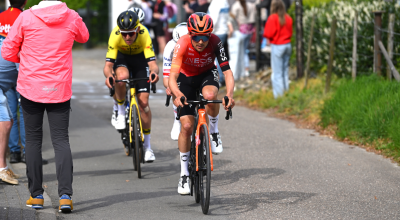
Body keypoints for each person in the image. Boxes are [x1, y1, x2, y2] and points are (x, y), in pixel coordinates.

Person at [2, 0, 89, 212]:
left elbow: (7, 51)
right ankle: (66, 196)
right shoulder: (71, 16)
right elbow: (84, 37)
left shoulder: (25, 17)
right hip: (59, 88)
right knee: (61, 139)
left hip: (31, 86)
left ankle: (37, 195)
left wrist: (23, 59)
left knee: (32, 140)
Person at [169, 12, 235, 195]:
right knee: (187, 126)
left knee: (210, 95)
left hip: (207, 74)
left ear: (209, 35)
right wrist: (177, 94)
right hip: (186, 78)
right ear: (190, 34)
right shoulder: (182, 44)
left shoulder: (215, 42)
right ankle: (184, 175)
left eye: (204, 37)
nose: (200, 41)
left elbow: (227, 72)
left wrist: (229, 95)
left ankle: (213, 131)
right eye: (196, 37)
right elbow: (172, 77)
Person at [105, 11, 159, 162]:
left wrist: (154, 73)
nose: (127, 37)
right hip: (121, 58)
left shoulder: (144, 33)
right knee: (121, 78)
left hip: (140, 60)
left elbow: (153, 65)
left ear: (137, 29)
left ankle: (148, 147)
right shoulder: (115, 34)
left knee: (144, 104)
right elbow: (108, 66)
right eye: (124, 34)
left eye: (130, 34)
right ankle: (120, 111)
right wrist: (109, 75)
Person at [0, 0, 27, 186]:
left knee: (9, 120)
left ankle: (6, 163)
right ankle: (2, 168)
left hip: (5, 81)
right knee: (8, 121)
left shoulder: (1, 17)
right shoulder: (24, 19)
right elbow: (21, 51)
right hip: (10, 78)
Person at [162, 22, 188, 141]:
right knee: (173, 87)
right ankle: (177, 119)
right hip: (176, 72)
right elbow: (166, 78)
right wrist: (170, 87)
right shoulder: (169, 47)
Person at [263, 0, 292, 98]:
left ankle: (279, 96)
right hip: (287, 44)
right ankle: (286, 92)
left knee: (277, 73)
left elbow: (268, 33)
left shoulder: (273, 18)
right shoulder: (288, 17)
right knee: (285, 71)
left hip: (277, 45)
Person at [231, 0, 256, 79]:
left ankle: (244, 69)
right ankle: (246, 70)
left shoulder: (236, 6)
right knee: (245, 50)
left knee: (242, 52)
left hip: (241, 30)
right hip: (249, 29)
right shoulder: (250, 5)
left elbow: (232, 18)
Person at [208, 0, 230, 85]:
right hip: (223, 31)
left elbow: (213, 20)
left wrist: (208, 33)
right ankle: (222, 78)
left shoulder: (216, 2)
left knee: (217, 57)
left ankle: (220, 79)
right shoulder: (225, 2)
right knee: (221, 56)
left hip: (217, 33)